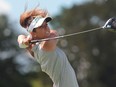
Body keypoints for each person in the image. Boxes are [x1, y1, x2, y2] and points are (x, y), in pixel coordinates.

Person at [17, 8, 79, 87]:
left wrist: (24, 40)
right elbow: (54, 33)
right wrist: (27, 39)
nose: (46, 27)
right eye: (41, 26)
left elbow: (20, 37)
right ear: (33, 33)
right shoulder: (46, 46)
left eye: (46, 24)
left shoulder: (35, 48)